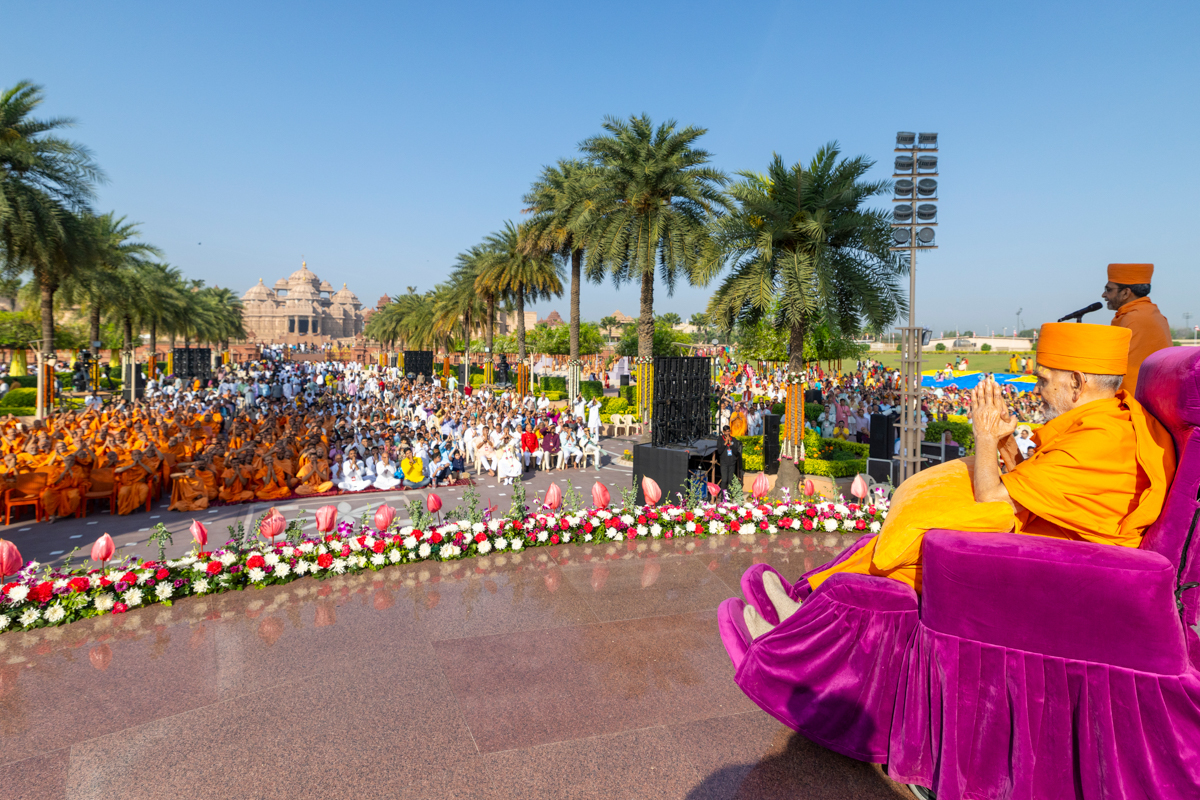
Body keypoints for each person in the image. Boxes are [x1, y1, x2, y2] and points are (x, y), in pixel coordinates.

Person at [741, 322, 1176, 639]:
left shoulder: (1099, 440)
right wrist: (1005, 445)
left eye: (1045, 381)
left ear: (1077, 383)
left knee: (911, 550)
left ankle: (802, 625)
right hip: (1047, 534)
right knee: (911, 529)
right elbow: (1034, 480)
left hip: (1061, 564)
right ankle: (808, 603)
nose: (1039, 391)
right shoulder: (1106, 419)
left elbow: (993, 499)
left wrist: (985, 436)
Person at [1103, 262, 1172, 395]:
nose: (1104, 295)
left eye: (1109, 290)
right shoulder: (1155, 314)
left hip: (1133, 402)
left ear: (1125, 293)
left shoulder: (1132, 319)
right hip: (1157, 397)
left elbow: (1123, 371)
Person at [717, 425, 743, 496]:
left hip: (732, 462)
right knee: (724, 479)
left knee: (730, 480)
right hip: (724, 462)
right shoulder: (720, 439)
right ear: (723, 432)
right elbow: (719, 451)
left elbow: (735, 452)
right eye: (726, 431)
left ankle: (729, 496)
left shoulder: (733, 439)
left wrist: (731, 444)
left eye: (729, 431)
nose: (728, 433)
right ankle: (723, 496)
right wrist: (725, 443)